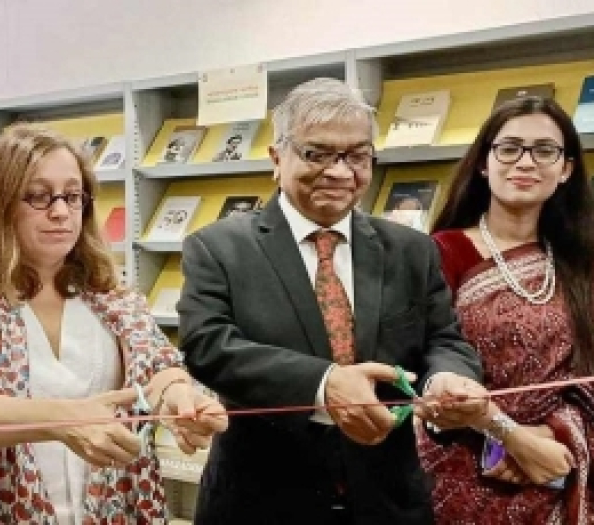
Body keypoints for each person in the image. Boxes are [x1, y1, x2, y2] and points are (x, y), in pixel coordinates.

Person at [179, 78, 498, 525]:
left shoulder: (411, 249)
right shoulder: (217, 248)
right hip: (260, 500)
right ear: (277, 158)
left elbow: (443, 338)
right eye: (317, 154)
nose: (340, 172)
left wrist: (447, 378)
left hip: (388, 500)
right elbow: (208, 346)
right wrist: (324, 383)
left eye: (357, 156)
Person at [0, 123, 228, 524]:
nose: (61, 212)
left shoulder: (116, 301)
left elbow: (157, 367)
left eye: (72, 196)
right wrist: (66, 421)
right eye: (39, 196)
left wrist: (180, 399)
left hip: (107, 509)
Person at [418, 96, 594, 523]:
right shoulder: (440, 253)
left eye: (544, 150)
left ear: (566, 169)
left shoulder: (583, 266)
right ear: (484, 162)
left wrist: (544, 437)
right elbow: (421, 365)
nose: (525, 162)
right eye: (509, 148)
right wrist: (503, 434)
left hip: (554, 470)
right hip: (457, 469)